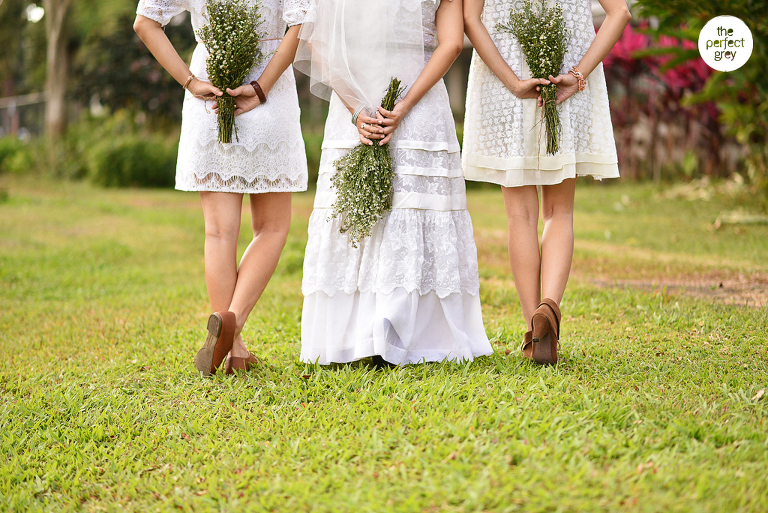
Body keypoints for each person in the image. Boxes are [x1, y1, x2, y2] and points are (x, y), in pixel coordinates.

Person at [294, 0, 494, 366]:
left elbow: (316, 43)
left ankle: (350, 337)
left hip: (356, 101)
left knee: (356, 217)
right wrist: (402, 107)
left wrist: (356, 108)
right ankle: (413, 332)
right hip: (420, 102)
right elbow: (450, 43)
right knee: (412, 207)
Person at [133, 0, 309, 375]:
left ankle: (232, 344)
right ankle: (234, 333)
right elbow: (299, 24)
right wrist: (260, 89)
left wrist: (191, 82)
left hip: (210, 94)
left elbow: (145, 23)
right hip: (269, 94)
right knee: (272, 228)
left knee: (218, 232)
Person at [462, 0, 630, 364]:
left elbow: (470, 19)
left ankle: (533, 331)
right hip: (564, 82)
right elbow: (620, 13)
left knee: (519, 215)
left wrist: (515, 83)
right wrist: (579, 73)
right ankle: (548, 310)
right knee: (559, 212)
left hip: (505, 86)